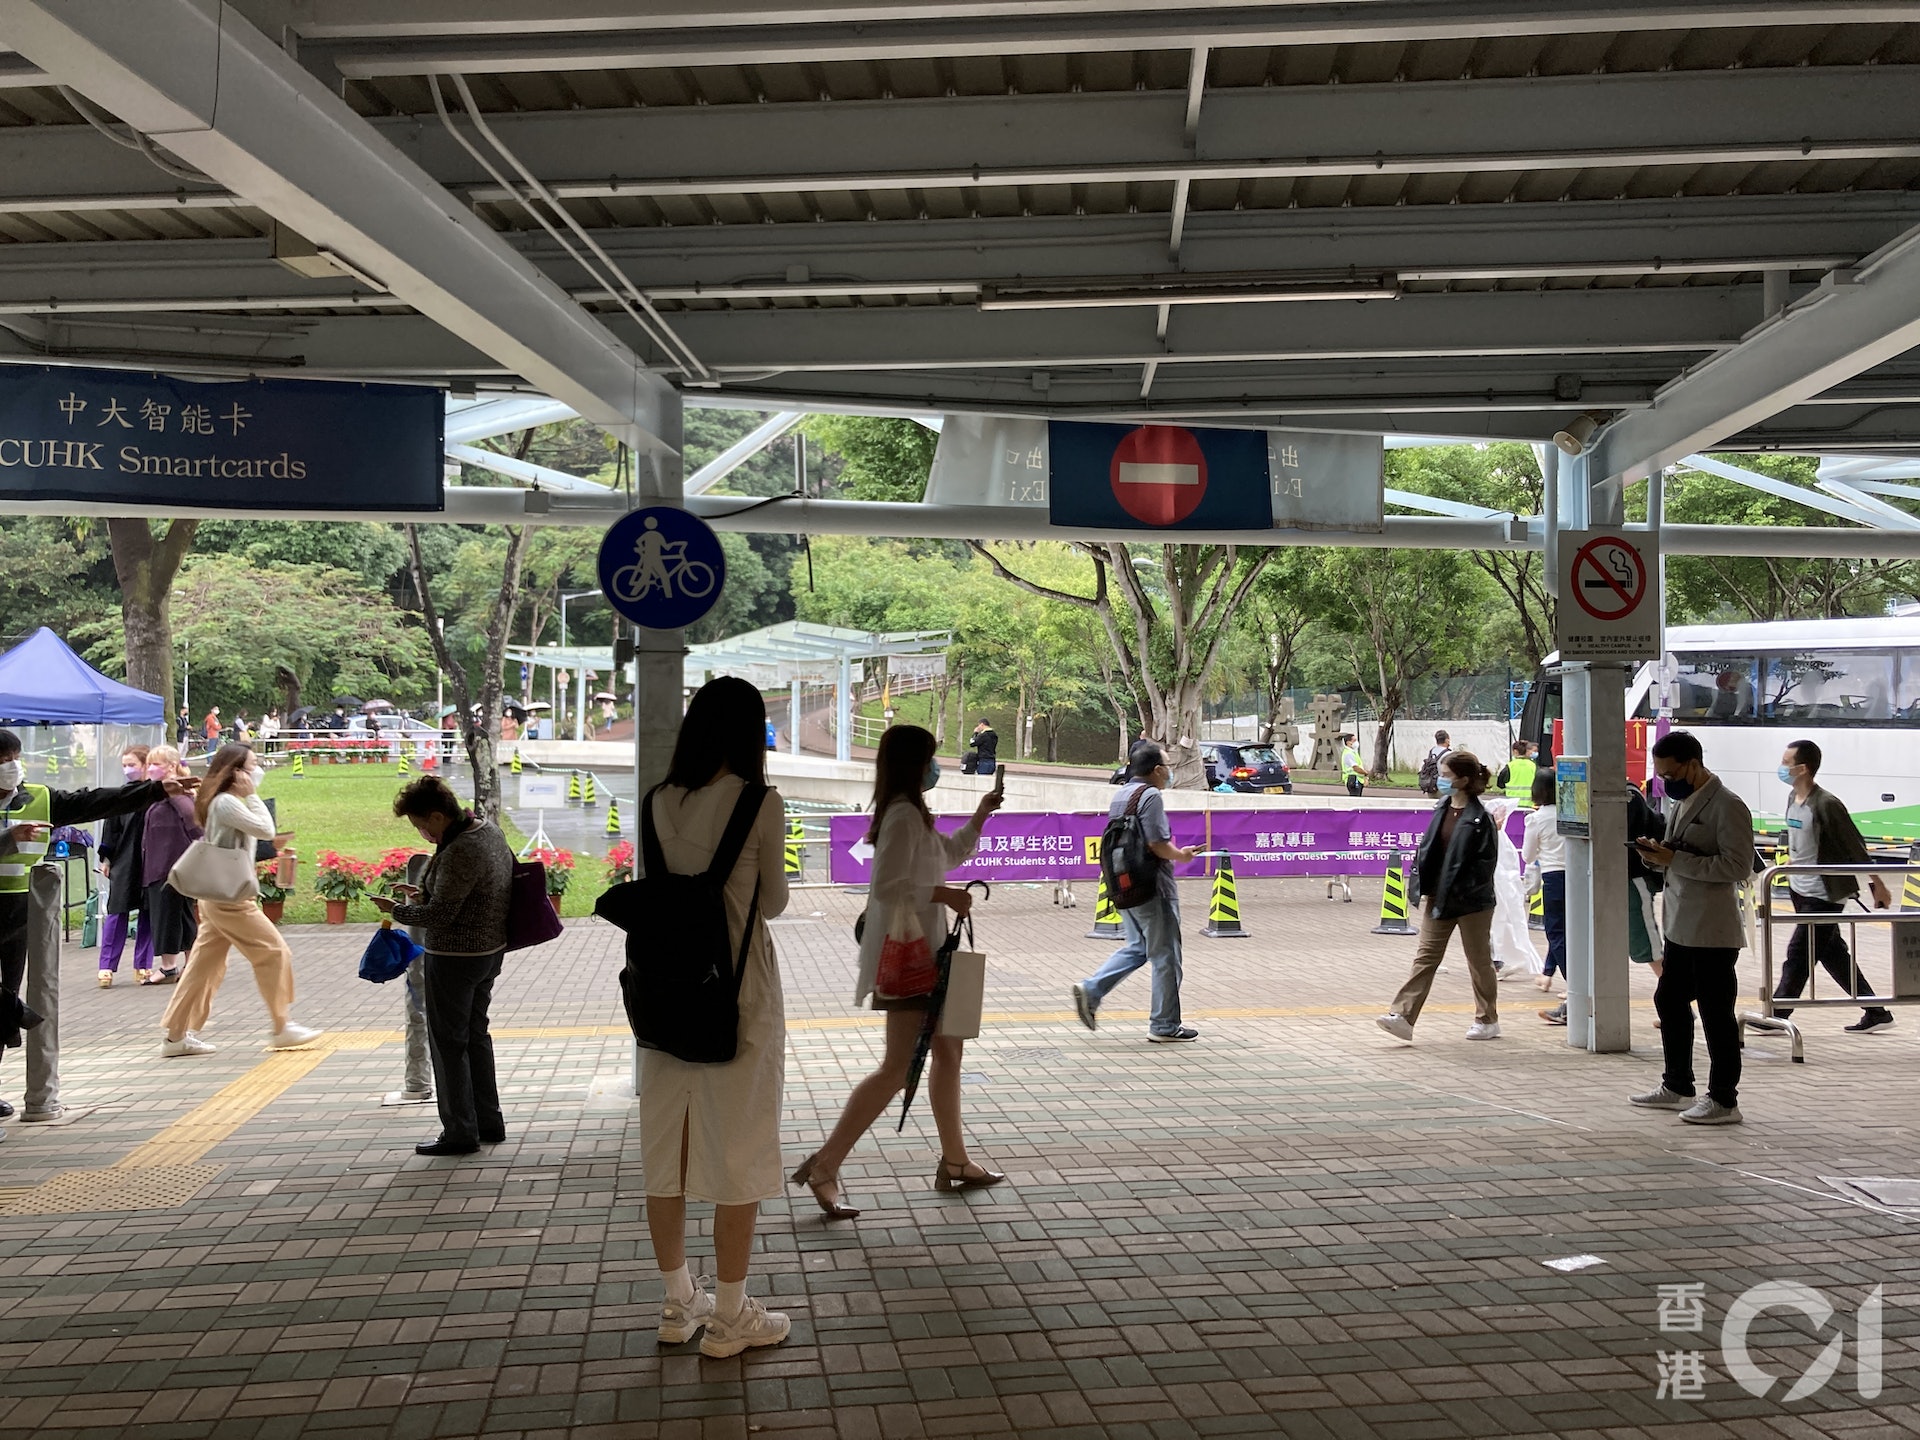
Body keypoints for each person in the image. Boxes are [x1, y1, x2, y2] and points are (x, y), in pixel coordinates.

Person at [619, 678, 793, 1356]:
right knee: (738, 1148)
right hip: (739, 992)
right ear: (750, 734)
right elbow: (772, 902)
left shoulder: (657, 801)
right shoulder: (760, 803)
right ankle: (729, 1316)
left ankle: (676, 1303)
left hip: (666, 992)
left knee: (667, 1152)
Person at [791, 725, 1005, 1221]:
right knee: (895, 1068)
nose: (938, 766)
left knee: (948, 1051)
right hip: (912, 960)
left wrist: (980, 815)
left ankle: (955, 1160)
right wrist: (944, 895)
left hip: (932, 955)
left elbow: (948, 857)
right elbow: (888, 886)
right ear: (915, 764)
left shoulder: (913, 815)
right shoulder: (903, 816)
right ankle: (825, 1165)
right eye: (931, 758)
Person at [0, 730, 178, 1113]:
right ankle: (16, 1009)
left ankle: (11, 1018)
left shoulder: (41, 798)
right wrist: (7, 838)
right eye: (2, 760)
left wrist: (155, 791)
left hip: (22, 913)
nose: (11, 767)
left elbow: (96, 802)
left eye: (14, 757)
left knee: (5, 998)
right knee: (4, 1003)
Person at [372, 776, 515, 1155]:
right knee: (475, 1036)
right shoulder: (487, 832)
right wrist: (422, 893)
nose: (422, 833)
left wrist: (398, 909)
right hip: (488, 952)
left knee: (449, 1044)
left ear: (437, 816)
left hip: (456, 957)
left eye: (422, 825)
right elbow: (471, 892)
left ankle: (459, 1132)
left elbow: (442, 915)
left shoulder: (460, 849)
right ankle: (489, 1122)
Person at [159, 743, 322, 1058]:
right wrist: (253, 796)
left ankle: (176, 1036)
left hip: (218, 895)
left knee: (204, 968)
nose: (256, 772)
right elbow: (264, 828)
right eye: (251, 766)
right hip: (229, 899)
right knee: (273, 952)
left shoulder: (223, 801)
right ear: (234, 772)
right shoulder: (227, 803)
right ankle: (281, 1025)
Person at [1629, 730, 1752, 1125]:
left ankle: (1724, 1099)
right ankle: (1678, 1084)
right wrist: (1655, 856)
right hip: (1680, 926)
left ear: (1692, 765)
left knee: (1717, 1013)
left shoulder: (1728, 806)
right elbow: (1675, 854)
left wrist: (1675, 860)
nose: (1665, 780)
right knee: (1668, 1000)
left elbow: (1737, 866)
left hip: (1712, 930)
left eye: (1669, 772)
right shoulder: (1681, 803)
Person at [1071, 742, 1200, 1043]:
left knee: (1139, 947)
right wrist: (1182, 855)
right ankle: (1165, 1025)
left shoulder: (1123, 794)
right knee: (1166, 956)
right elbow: (1156, 843)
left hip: (1125, 885)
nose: (1169, 772)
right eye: (1167, 766)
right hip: (1153, 888)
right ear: (1156, 770)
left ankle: (1092, 990)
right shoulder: (1151, 795)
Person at [1376, 750, 1503, 1044]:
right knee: (1425, 958)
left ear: (1464, 779)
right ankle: (1403, 1017)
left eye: (1446, 775)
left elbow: (1484, 866)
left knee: (1479, 961)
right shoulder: (1442, 807)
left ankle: (1487, 1019)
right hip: (1438, 897)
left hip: (1471, 902)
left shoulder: (1479, 819)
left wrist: (1458, 891)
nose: (1440, 780)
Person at [1771, 738, 1895, 1034]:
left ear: (1803, 768)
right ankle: (1876, 1011)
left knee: (1799, 953)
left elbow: (1855, 847)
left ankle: (1777, 1013)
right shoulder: (1792, 798)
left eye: (1787, 763)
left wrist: (1877, 884)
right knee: (1831, 952)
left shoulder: (1826, 804)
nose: (1782, 768)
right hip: (1800, 889)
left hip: (1824, 893)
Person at [1542, 779, 1665, 1026]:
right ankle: (1578, 1005)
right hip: (1604, 879)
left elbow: (1617, 836)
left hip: (1631, 880)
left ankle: (1677, 1002)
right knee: (1597, 945)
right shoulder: (1597, 792)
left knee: (1647, 947)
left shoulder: (1626, 796)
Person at [96, 745, 156, 988]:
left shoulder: (155, 795)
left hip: (151, 862)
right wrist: (106, 859)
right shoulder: (121, 795)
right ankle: (106, 967)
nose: (127, 769)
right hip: (124, 861)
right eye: (124, 765)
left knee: (148, 913)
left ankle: (143, 965)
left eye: (132, 764)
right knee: (117, 912)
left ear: (145, 766)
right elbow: (111, 830)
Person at [140, 746, 201, 985]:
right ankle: (191, 963)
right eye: (150, 764)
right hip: (164, 866)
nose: (152, 769)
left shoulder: (176, 794)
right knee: (182, 917)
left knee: (170, 917)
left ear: (172, 767)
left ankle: (168, 966)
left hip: (170, 868)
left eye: (157, 764)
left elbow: (194, 825)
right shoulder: (162, 794)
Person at [1521, 770, 1566, 993]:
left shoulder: (1536, 819)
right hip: (1578, 877)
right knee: (1568, 930)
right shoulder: (1571, 813)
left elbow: (1527, 856)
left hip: (1553, 876)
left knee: (1556, 930)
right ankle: (1547, 974)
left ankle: (1575, 985)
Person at [1417, 730, 1452, 797]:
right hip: (1444, 787)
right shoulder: (1449, 754)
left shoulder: (1432, 751)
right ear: (1447, 740)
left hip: (1430, 786)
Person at [1339, 731, 1366, 798]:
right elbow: (1355, 767)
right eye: (1354, 740)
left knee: (1357, 798)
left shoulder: (1353, 752)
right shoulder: (1348, 753)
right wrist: (1366, 773)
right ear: (1348, 742)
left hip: (1357, 779)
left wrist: (1365, 777)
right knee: (1355, 799)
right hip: (1352, 779)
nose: (1356, 742)